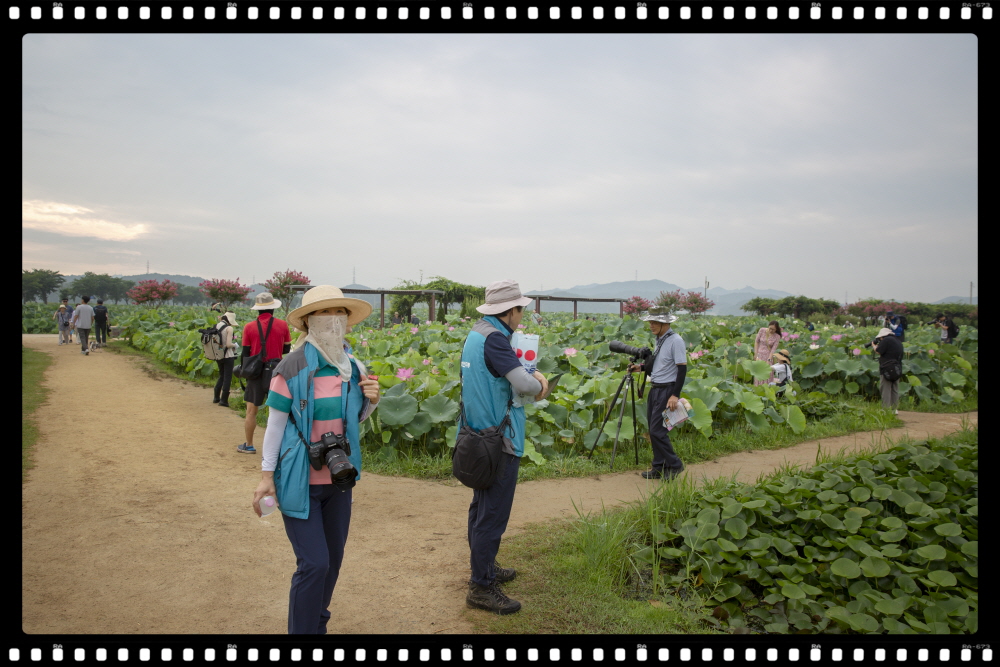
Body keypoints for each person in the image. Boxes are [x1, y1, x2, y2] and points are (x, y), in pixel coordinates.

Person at [251, 285, 381, 635]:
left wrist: (372, 400)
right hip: (300, 479)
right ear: (307, 321)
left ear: (348, 322)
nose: (333, 320)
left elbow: (353, 419)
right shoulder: (291, 368)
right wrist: (266, 476)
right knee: (314, 564)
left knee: (332, 562)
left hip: (339, 479)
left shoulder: (352, 366)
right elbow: (275, 426)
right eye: (324, 313)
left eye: (339, 313)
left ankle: (316, 626)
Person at [461, 280, 548, 615]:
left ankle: (485, 568)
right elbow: (524, 384)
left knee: (481, 507)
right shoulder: (496, 339)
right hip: (500, 439)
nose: (521, 316)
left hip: (477, 435)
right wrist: (540, 382)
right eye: (520, 310)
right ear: (510, 311)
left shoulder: (477, 332)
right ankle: (481, 587)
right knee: (492, 515)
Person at [628, 306, 687, 481]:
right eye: (650, 322)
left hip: (667, 390)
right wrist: (641, 368)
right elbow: (661, 365)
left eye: (655, 322)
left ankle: (675, 465)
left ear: (665, 323)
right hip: (655, 388)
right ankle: (659, 466)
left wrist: (674, 395)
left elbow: (682, 369)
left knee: (657, 431)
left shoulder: (676, 340)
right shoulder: (660, 339)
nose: (651, 325)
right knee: (653, 430)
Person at [239, 293, 292, 454]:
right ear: (273, 308)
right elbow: (286, 349)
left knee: (251, 411)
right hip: (276, 371)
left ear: (258, 309)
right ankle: (277, 450)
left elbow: (245, 353)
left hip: (255, 372)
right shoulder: (283, 325)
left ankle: (249, 445)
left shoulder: (249, 327)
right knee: (277, 412)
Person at [872, 327, 904, 412]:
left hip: (887, 368)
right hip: (897, 368)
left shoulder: (886, 340)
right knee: (895, 388)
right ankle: (894, 409)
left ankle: (886, 409)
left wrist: (874, 346)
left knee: (885, 388)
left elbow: (879, 351)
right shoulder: (897, 340)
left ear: (882, 336)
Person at [212, 312, 239, 407]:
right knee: (227, 377)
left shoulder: (216, 326)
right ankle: (224, 400)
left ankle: (216, 397)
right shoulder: (229, 328)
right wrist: (235, 345)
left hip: (218, 355)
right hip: (228, 355)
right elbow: (228, 344)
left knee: (221, 375)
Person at [753, 321, 782, 385]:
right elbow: (756, 341)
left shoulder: (777, 336)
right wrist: (756, 354)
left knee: (767, 373)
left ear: (776, 329)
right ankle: (757, 387)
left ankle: (766, 387)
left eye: (773, 329)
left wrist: (769, 359)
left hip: (768, 356)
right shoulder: (762, 330)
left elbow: (773, 349)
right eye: (770, 328)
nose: (771, 330)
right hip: (759, 355)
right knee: (759, 372)